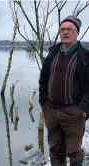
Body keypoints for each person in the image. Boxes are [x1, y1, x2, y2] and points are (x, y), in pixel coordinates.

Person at [39, 15, 89, 166]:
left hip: (73, 112)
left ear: (77, 33)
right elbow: (43, 79)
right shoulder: (52, 54)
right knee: (55, 149)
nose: (66, 32)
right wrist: (44, 103)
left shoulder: (84, 57)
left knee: (74, 151)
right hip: (52, 110)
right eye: (63, 30)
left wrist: (83, 109)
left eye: (70, 29)